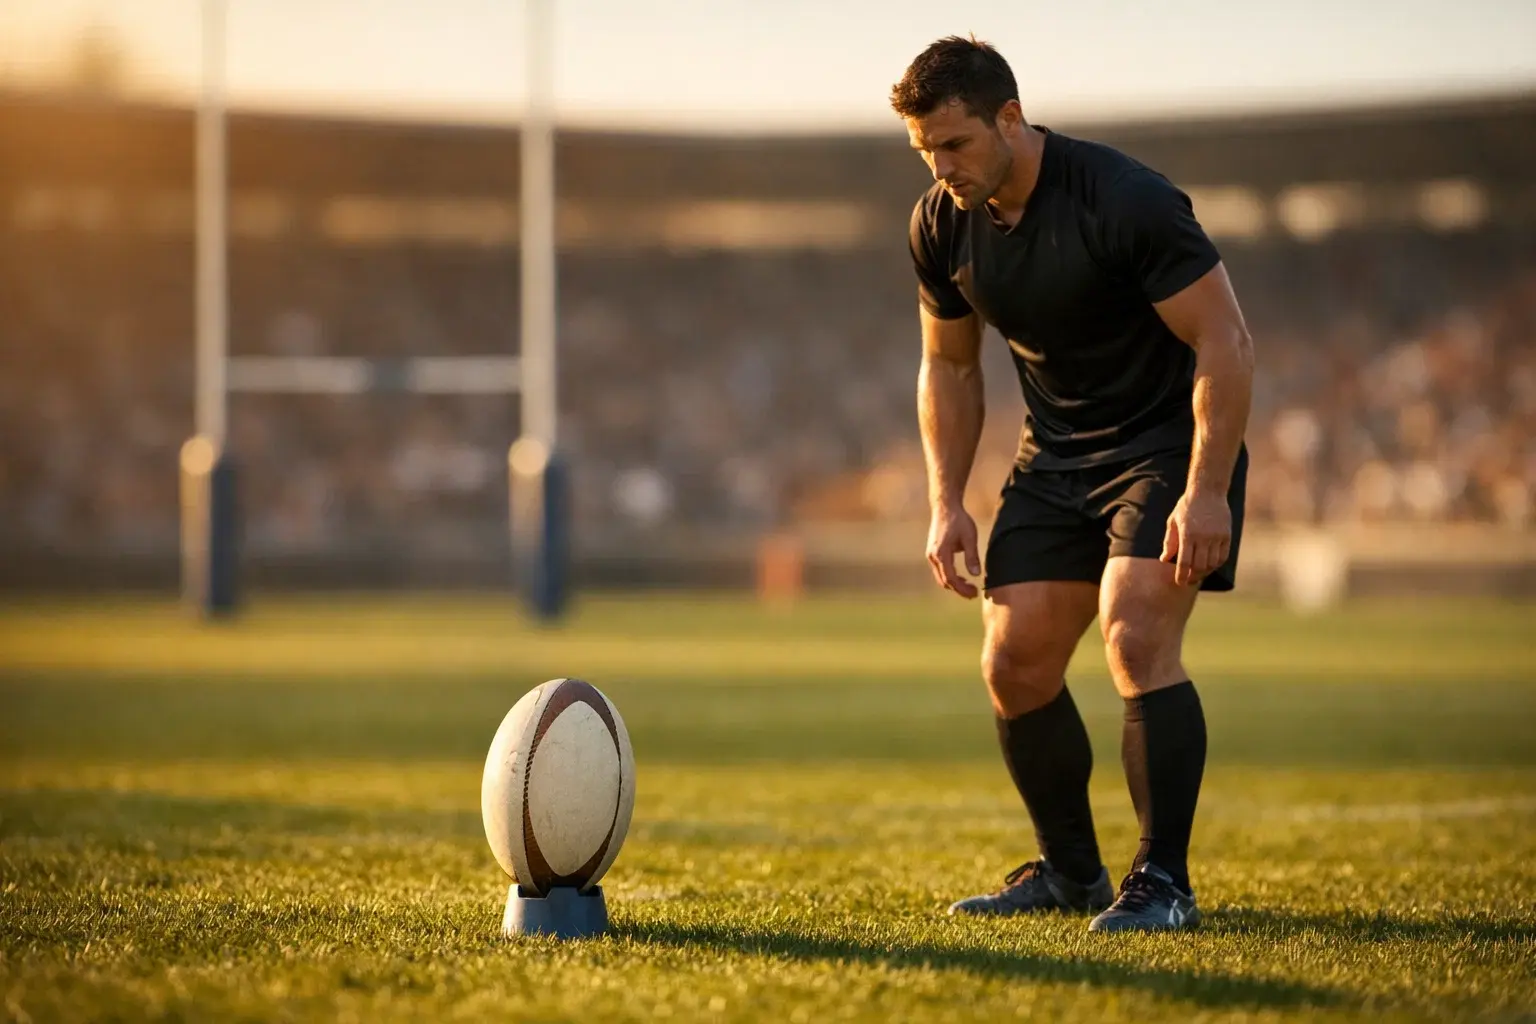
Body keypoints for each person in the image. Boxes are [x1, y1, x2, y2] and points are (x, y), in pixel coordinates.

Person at [891, 36, 1254, 933]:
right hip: (1055, 458)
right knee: (1012, 663)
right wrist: (946, 501)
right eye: (925, 151)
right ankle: (1072, 873)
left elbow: (1226, 341)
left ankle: (1162, 883)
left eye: (955, 144)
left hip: (1166, 445)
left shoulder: (1123, 198)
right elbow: (950, 368)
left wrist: (1206, 489)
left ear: (1010, 118)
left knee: (1134, 635)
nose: (942, 169)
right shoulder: (940, 222)